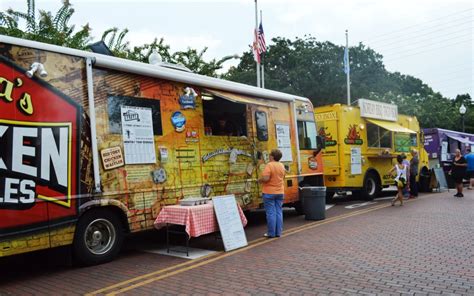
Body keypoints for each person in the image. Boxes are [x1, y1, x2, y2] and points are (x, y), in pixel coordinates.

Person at [258, 149, 285, 238]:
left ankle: (271, 233)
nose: (269, 156)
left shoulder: (269, 165)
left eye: (270, 155)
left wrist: (259, 180)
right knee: (278, 212)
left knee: (270, 213)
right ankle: (278, 232)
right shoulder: (281, 165)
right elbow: (283, 177)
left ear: (272, 156)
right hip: (280, 192)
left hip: (269, 192)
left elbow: (266, 178)